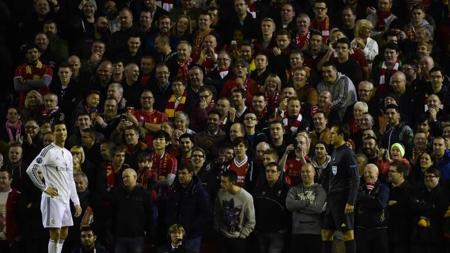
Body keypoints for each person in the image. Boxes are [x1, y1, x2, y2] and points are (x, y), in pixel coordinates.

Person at [26, 122, 82, 253]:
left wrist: (77, 202)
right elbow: (31, 170)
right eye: (58, 130)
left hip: (65, 199)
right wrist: (44, 188)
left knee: (64, 233)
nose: (61, 132)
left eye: (64, 129)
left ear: (67, 132)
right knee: (55, 233)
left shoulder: (68, 154)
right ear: (53, 132)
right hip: (52, 199)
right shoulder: (48, 151)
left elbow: (70, 180)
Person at [321, 124, 360, 253]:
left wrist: (351, 201)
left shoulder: (348, 153)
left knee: (348, 234)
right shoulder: (335, 151)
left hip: (343, 199)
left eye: (333, 133)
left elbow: (355, 178)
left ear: (341, 135)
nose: (330, 136)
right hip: (333, 199)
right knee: (326, 233)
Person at [286, 163, 327, 253]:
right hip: (297, 233)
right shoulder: (294, 189)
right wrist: (308, 202)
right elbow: (289, 205)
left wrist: (298, 207)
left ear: (314, 173)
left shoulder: (320, 189)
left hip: (315, 234)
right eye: (303, 172)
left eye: (308, 171)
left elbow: (318, 208)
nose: (305, 174)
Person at [214, 170, 255, 253]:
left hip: (237, 239)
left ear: (232, 182)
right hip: (222, 236)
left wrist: (242, 236)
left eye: (224, 182)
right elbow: (217, 212)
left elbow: (251, 221)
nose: (221, 184)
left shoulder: (246, 197)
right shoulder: (220, 193)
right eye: (221, 181)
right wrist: (217, 227)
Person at [355, 164, 389, 253]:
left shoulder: (383, 188)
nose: (366, 175)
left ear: (377, 174)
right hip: (362, 231)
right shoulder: (359, 188)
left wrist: (362, 199)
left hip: (379, 231)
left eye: (370, 172)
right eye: (365, 172)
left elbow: (380, 204)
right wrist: (372, 200)